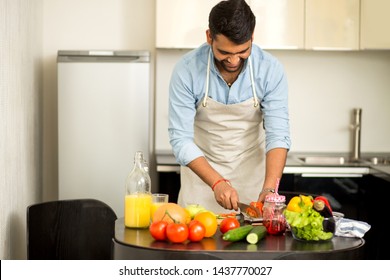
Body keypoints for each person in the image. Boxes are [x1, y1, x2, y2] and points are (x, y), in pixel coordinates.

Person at [168, 0, 291, 214]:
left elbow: (278, 134)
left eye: (243, 51)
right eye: (224, 52)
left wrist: (270, 188)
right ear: (209, 37)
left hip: (251, 183)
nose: (233, 60)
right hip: (200, 185)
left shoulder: (270, 70)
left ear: (252, 37)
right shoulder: (186, 70)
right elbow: (180, 140)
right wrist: (217, 182)